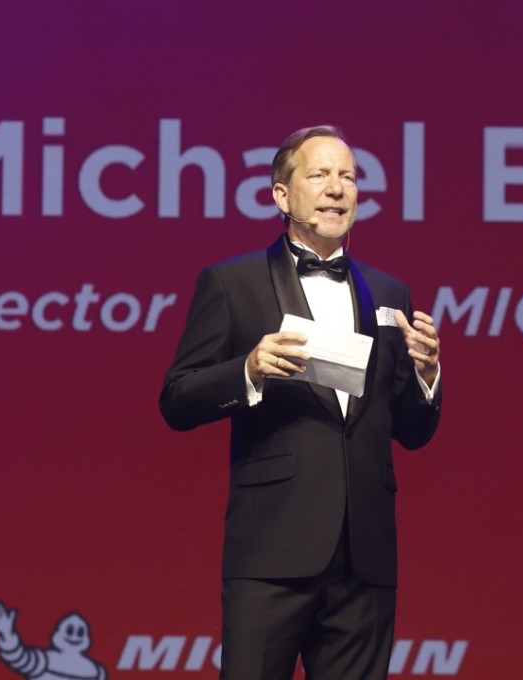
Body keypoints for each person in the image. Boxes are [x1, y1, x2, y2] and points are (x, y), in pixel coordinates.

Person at [159, 125, 442, 680]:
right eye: (319, 175)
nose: (337, 188)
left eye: (348, 177)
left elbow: (411, 430)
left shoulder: (390, 293)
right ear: (282, 196)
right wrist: (247, 370)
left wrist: (428, 377)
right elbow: (177, 399)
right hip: (272, 551)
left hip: (365, 558)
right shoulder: (230, 283)